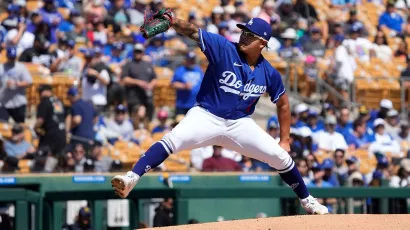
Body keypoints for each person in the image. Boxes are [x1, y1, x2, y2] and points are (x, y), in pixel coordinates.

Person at [112, 14, 328, 214]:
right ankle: (131, 178)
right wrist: (173, 21)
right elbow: (193, 31)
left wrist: (285, 139)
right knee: (172, 140)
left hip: (239, 124)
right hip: (206, 116)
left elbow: (283, 105)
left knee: (281, 157)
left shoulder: (269, 72)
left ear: (262, 43)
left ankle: (307, 200)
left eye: (249, 35)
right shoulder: (224, 48)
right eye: (243, 32)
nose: (243, 36)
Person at [121, 44, 157, 120]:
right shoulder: (129, 64)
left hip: (147, 96)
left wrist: (150, 85)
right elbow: (124, 79)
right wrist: (138, 82)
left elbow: (154, 78)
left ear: (143, 53)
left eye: (139, 51)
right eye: (136, 51)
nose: (138, 53)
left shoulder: (147, 64)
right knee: (137, 116)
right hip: (134, 96)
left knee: (148, 118)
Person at [0, 46, 33, 123]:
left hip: (18, 102)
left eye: (13, 58)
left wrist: (16, 83)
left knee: (20, 125)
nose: (12, 60)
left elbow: (29, 81)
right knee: (2, 125)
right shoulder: (1, 67)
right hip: (3, 102)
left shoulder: (21, 67)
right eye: (10, 57)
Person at [34, 85, 67, 156]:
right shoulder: (58, 102)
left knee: (42, 157)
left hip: (50, 135)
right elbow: (67, 116)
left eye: (41, 91)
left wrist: (34, 128)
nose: (40, 94)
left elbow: (40, 120)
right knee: (56, 157)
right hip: (62, 134)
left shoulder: (45, 102)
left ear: (48, 91)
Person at [171, 51, 204, 116]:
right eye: (190, 60)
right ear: (186, 60)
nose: (192, 62)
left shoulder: (198, 70)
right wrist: (183, 86)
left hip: (196, 105)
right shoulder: (180, 70)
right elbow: (173, 84)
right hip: (183, 105)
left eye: (193, 60)